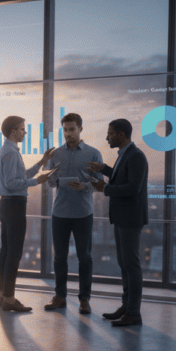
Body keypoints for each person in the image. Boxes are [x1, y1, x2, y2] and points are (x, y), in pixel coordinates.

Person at [87, 118, 148, 327]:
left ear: (121, 135)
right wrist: (104, 169)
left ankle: (134, 313)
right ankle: (127, 306)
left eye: (110, 133)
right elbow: (121, 177)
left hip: (130, 218)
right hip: (123, 217)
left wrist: (105, 189)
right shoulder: (125, 155)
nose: (107, 137)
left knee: (131, 265)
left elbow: (133, 187)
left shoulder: (136, 156)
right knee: (125, 264)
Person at [43, 112, 104, 314]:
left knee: (84, 257)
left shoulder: (94, 154)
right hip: (59, 212)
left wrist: (84, 186)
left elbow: (99, 184)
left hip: (82, 214)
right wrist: (51, 176)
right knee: (59, 257)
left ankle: (84, 299)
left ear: (80, 129)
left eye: (72, 129)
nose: (68, 133)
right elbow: (49, 183)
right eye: (65, 130)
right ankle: (60, 296)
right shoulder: (56, 154)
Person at [0, 115, 56, 312]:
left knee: (6, 250)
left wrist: (41, 163)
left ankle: (2, 294)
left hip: (7, 205)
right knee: (14, 252)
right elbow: (12, 184)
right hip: (14, 205)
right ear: (13, 131)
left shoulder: (8, 150)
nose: (25, 132)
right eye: (22, 129)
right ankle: (10, 299)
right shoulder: (11, 153)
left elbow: (20, 175)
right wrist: (37, 182)